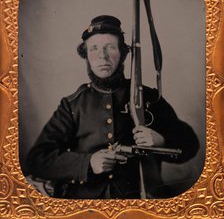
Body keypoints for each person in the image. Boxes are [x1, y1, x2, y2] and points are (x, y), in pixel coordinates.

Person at [27, 15, 199, 199]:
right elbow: (37, 159)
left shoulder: (148, 97)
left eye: (110, 47)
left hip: (141, 201)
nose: (103, 55)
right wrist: (88, 163)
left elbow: (190, 144)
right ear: (86, 56)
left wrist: (162, 140)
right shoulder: (72, 104)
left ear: (123, 53)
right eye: (94, 48)